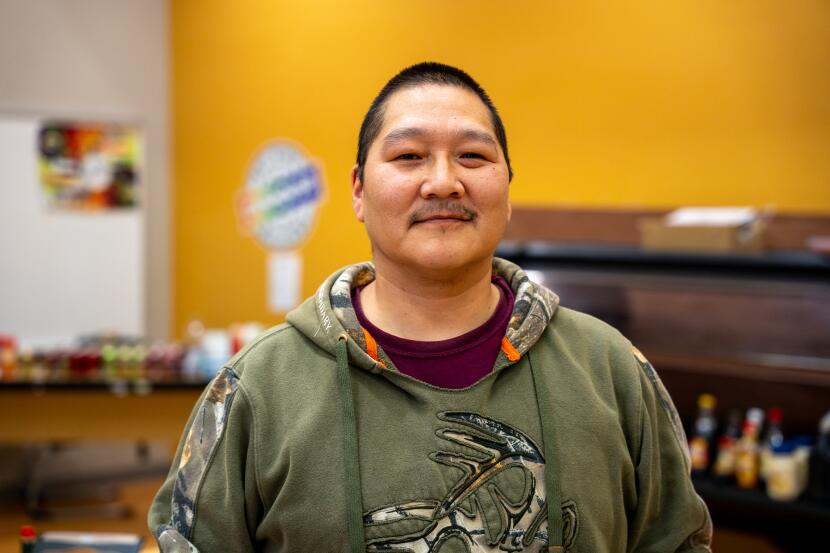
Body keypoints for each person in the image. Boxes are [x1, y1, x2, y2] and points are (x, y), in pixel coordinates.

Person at [148, 62, 712, 552]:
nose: (443, 182)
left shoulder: (611, 372)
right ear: (358, 191)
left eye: (472, 156)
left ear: (507, 189)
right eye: (409, 156)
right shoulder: (256, 390)